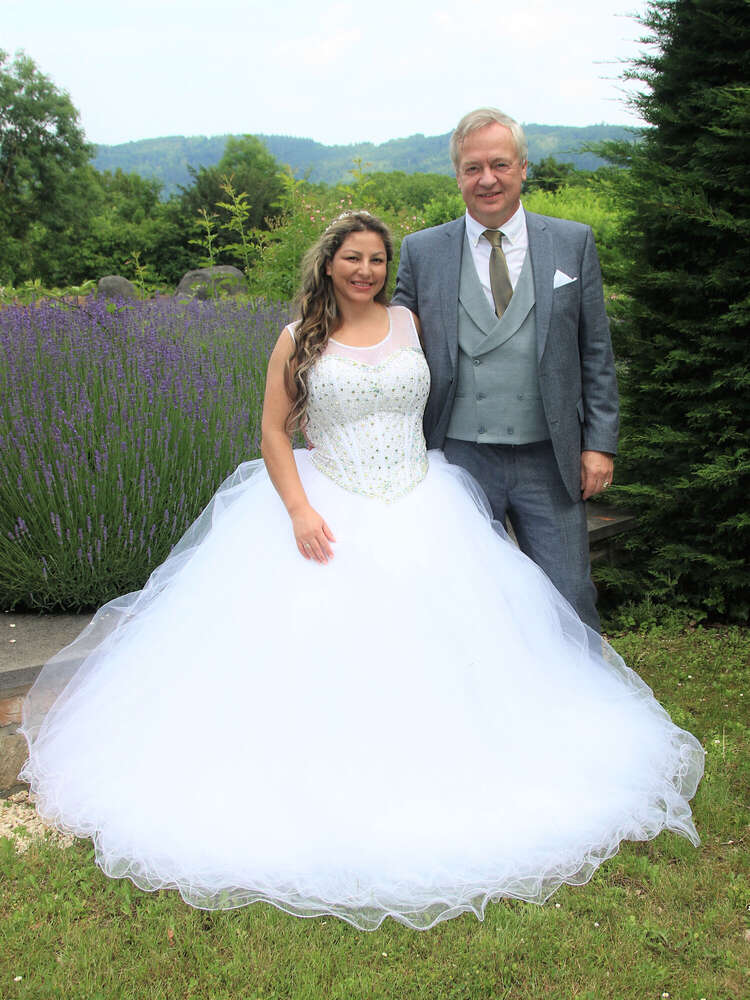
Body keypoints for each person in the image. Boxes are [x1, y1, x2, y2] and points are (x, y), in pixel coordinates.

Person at [20, 211, 702, 932]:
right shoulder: (296, 339)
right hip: (329, 513)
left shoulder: (412, 323)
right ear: (329, 263)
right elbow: (273, 433)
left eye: (377, 258)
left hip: (423, 505)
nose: (366, 271)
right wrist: (298, 512)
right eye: (353, 258)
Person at [393, 108, 618, 632]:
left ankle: (576, 704)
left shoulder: (571, 241)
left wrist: (599, 443)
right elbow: (393, 343)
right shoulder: (422, 251)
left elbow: (595, 351)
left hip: (549, 456)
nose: (487, 179)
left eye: (499, 164)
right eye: (473, 168)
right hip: (459, 456)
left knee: (570, 597)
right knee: (466, 600)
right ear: (458, 176)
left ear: (522, 169)